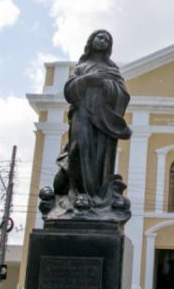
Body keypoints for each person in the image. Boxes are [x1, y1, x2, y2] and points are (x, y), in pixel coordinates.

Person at [54, 30, 132, 212]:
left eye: (106, 39)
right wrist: (88, 79)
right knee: (77, 149)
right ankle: (77, 194)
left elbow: (123, 95)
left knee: (99, 158)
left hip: (103, 120)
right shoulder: (81, 67)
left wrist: (106, 85)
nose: (102, 40)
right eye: (99, 37)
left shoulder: (112, 70)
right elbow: (69, 91)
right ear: (91, 40)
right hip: (82, 115)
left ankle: (94, 195)